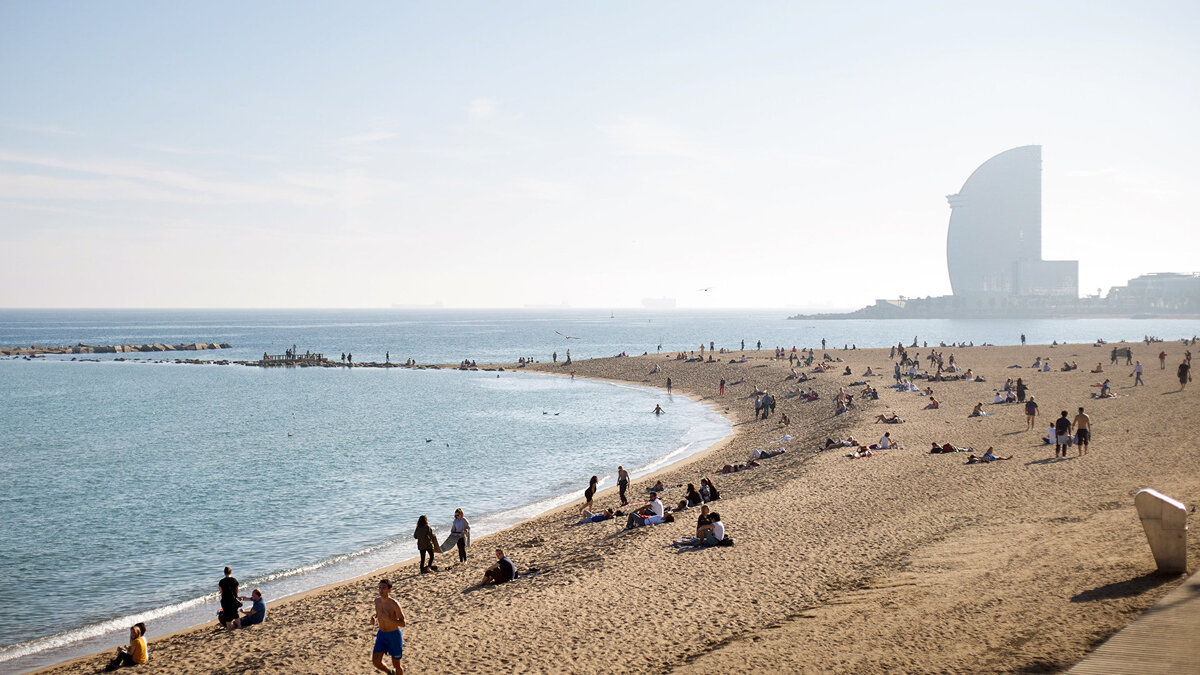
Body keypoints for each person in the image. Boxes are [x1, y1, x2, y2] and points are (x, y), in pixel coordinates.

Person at [371, 579, 406, 675]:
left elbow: (403, 623)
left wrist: (389, 619)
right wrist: (375, 618)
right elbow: (378, 615)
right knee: (376, 661)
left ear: (389, 590)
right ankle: (390, 673)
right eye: (380, 588)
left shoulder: (394, 604)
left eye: (384, 588)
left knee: (397, 665)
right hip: (381, 635)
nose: (381, 590)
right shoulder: (377, 601)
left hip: (393, 636)